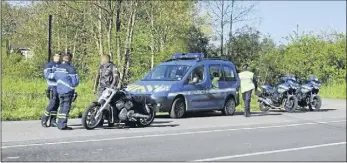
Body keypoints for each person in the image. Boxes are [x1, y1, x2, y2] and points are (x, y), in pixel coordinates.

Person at [54, 52, 79, 130]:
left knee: (61, 107)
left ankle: (59, 123)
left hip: (59, 90)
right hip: (68, 90)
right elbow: (75, 82)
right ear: (70, 59)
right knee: (66, 108)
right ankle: (63, 125)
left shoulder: (57, 67)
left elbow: (55, 77)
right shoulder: (70, 68)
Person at [93, 54, 119, 127]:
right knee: (100, 103)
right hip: (102, 87)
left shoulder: (113, 66)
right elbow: (97, 77)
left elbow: (116, 77)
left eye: (102, 59)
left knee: (110, 104)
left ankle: (111, 121)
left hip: (109, 87)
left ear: (106, 59)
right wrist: (94, 87)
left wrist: (112, 87)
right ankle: (99, 121)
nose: (101, 60)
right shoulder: (101, 67)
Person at [41, 52, 62, 128]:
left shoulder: (61, 65)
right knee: (52, 103)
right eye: (56, 56)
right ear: (54, 57)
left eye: (59, 56)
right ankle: (44, 119)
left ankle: (53, 121)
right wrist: (56, 75)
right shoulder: (49, 65)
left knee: (57, 104)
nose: (58, 58)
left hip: (59, 87)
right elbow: (47, 75)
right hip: (52, 86)